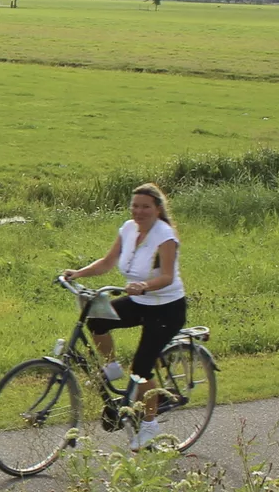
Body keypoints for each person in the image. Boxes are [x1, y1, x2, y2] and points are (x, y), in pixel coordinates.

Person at [61, 183, 186, 451]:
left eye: (145, 207)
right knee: (97, 319)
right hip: (139, 301)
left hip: (166, 308)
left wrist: (144, 285)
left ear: (157, 209)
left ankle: (150, 427)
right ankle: (111, 366)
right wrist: (78, 273)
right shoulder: (129, 229)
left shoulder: (165, 236)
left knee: (141, 369)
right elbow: (107, 262)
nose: (138, 211)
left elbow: (167, 276)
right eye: (135, 206)